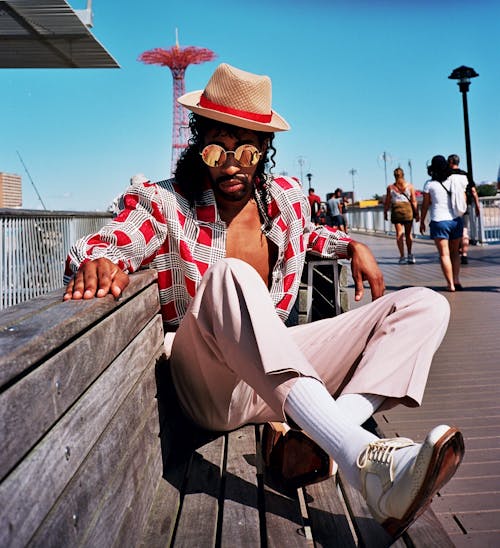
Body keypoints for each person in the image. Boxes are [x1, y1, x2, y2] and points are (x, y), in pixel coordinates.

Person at [63, 63, 463, 539]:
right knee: (229, 276)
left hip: (277, 381)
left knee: (422, 304)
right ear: (197, 143)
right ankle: (360, 457)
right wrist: (100, 260)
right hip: (205, 386)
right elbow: (113, 239)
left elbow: (311, 234)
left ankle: (322, 435)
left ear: (266, 150)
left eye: (247, 150)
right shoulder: (164, 202)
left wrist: (349, 244)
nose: (232, 164)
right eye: (216, 149)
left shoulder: (286, 201)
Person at [420, 155, 468, 292]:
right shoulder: (454, 180)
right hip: (455, 220)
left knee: (444, 254)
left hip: (438, 221)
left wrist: (422, 221)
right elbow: (463, 197)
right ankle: (457, 280)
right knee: (455, 253)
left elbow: (425, 205)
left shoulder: (429, 184)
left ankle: (450, 284)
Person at [447, 154, 481, 265]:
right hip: (464, 206)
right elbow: (474, 191)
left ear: (450, 162)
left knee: (452, 233)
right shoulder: (465, 175)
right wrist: (477, 206)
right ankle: (465, 255)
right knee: (465, 231)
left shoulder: (446, 175)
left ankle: (455, 253)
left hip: (450, 207)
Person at [384, 168, 419, 264]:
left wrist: (385, 212)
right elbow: (414, 201)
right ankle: (410, 255)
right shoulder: (410, 186)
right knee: (408, 234)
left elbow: (387, 201)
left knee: (399, 234)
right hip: (408, 211)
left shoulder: (390, 188)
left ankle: (402, 256)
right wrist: (417, 213)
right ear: (403, 174)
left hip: (396, 211)